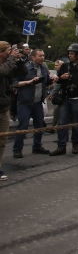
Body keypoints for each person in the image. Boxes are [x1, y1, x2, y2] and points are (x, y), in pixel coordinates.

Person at [11, 49, 57, 158]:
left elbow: (46, 82)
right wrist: (29, 82)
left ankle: (37, 146)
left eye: (43, 55)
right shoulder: (25, 68)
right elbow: (14, 83)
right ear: (33, 57)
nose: (43, 58)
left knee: (39, 125)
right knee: (23, 126)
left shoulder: (44, 68)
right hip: (25, 102)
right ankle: (17, 149)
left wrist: (53, 79)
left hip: (37, 102)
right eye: (40, 55)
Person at [50, 44, 78, 156]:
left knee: (75, 123)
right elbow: (57, 80)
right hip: (65, 98)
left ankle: (75, 143)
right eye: (69, 53)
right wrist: (61, 78)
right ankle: (61, 146)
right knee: (62, 122)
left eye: (72, 53)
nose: (70, 55)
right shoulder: (65, 66)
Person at [0, 42, 22, 180]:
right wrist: (11, 59)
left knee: (2, 141)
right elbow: (1, 71)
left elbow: (22, 73)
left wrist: (18, 61)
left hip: (4, 107)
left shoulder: (10, 63)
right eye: (9, 50)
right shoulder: (5, 64)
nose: (11, 52)